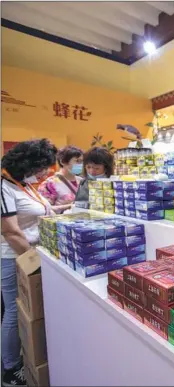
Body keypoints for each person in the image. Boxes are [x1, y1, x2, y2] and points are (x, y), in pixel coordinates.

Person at [1, 139, 58, 386]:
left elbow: (41, 213)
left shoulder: (23, 184)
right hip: (15, 258)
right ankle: (10, 368)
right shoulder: (4, 186)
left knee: (28, 311)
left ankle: (26, 356)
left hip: (33, 254)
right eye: (41, 167)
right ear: (27, 163)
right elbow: (11, 232)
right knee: (14, 311)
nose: (44, 173)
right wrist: (32, 263)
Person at [38, 145, 83, 213]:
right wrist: (69, 206)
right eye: (77, 161)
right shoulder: (50, 184)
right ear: (63, 161)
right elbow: (44, 209)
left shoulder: (82, 181)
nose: (80, 164)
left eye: (81, 161)